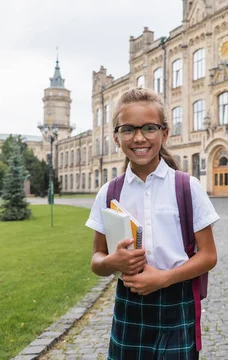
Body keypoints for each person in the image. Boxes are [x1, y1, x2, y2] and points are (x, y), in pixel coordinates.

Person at [85, 88, 219, 360]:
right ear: (116, 137)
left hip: (176, 301)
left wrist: (163, 278)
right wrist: (114, 263)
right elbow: (96, 260)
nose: (139, 138)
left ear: (165, 133)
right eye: (128, 130)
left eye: (149, 128)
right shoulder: (110, 193)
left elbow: (209, 256)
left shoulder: (186, 187)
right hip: (129, 305)